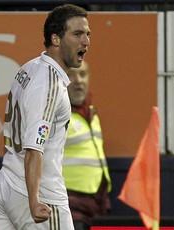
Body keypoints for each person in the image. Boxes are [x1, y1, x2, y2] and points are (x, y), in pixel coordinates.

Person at [0, 4, 91, 230]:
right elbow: (35, 148)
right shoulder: (49, 85)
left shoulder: (29, 68)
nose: (86, 41)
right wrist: (34, 201)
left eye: (87, 34)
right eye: (77, 34)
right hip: (38, 195)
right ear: (55, 39)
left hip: (6, 184)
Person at [63, 61, 112, 230]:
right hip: (68, 204)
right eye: (71, 75)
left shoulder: (91, 113)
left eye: (83, 74)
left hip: (96, 203)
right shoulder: (54, 116)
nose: (78, 81)